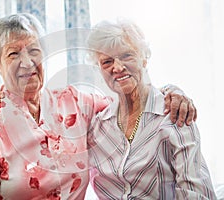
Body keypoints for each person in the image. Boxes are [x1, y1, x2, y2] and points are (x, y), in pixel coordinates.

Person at [0, 13, 196, 200]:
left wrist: (171, 91)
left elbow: (130, 103)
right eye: (13, 54)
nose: (26, 62)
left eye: (34, 51)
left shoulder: (75, 102)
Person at [84, 19, 216, 199]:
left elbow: (195, 193)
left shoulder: (175, 115)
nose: (118, 67)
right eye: (107, 61)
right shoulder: (96, 127)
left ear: (144, 58)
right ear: (98, 69)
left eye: (126, 56)